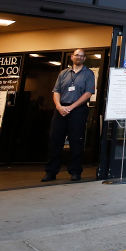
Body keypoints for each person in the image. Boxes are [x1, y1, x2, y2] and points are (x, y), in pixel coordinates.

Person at [42, 48, 96, 182]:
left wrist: (71, 107)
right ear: (72, 57)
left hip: (78, 110)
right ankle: (51, 172)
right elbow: (56, 91)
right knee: (55, 140)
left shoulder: (88, 74)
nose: (79, 57)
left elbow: (88, 93)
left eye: (82, 56)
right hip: (61, 109)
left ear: (84, 59)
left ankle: (75, 171)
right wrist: (59, 106)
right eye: (77, 55)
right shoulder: (63, 73)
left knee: (76, 141)